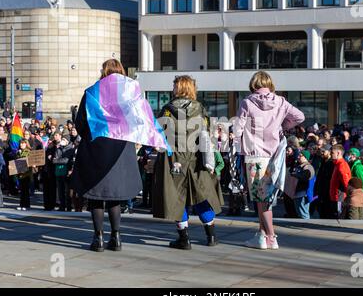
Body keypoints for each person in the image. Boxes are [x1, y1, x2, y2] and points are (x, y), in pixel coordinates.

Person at [72, 59, 147, 252]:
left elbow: (80, 123)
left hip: (96, 148)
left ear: (104, 72)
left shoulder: (91, 92)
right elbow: (139, 120)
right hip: (120, 150)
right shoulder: (129, 94)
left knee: (96, 196)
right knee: (114, 196)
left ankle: (98, 239)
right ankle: (116, 237)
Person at [234, 71, 305, 250]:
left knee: (261, 198)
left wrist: (234, 147)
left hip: (255, 154)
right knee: (264, 197)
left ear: (253, 84)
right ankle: (261, 235)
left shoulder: (247, 102)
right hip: (274, 154)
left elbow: (238, 128)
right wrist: (283, 126)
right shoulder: (280, 101)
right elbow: (300, 117)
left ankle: (271, 237)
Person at [153, 75, 224, 250]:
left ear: (178, 88)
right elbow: (206, 132)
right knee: (201, 195)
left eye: (174, 86)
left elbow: (158, 133)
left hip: (174, 158)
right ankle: (211, 236)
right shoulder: (200, 109)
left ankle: (184, 239)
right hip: (196, 157)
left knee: (177, 197)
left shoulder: (167, 110)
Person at [290, 150, 315, 219]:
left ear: (306, 158)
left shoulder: (308, 167)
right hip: (298, 193)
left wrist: (295, 174)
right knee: (300, 213)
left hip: (303, 194)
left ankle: (307, 227)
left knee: (304, 214)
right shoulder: (300, 166)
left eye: (301, 156)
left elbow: (305, 177)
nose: (298, 157)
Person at [329, 144, 352, 219]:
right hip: (337, 195)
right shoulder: (337, 164)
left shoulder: (341, 165)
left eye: (332, 153)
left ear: (338, 153)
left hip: (339, 196)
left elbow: (346, 182)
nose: (330, 154)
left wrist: (348, 194)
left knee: (339, 217)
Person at [53, 135, 74, 212]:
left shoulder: (71, 149)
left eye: (64, 139)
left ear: (67, 141)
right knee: (60, 190)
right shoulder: (58, 149)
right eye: (62, 139)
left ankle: (69, 206)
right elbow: (54, 159)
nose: (62, 141)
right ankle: (62, 206)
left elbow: (66, 160)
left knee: (67, 191)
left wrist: (57, 160)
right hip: (59, 171)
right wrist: (57, 160)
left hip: (67, 172)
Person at [314, 144, 334, 219]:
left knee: (327, 213)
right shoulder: (322, 161)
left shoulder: (331, 163)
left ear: (329, 152)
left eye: (323, 151)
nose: (322, 153)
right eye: (321, 151)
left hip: (327, 193)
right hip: (321, 192)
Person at [16, 140, 32, 211]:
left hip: (27, 173)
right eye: (20, 144)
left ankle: (26, 204)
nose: (21, 145)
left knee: (25, 190)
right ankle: (21, 204)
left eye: (23, 143)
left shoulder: (28, 152)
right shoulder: (18, 152)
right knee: (22, 190)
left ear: (26, 144)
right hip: (20, 173)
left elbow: (30, 161)